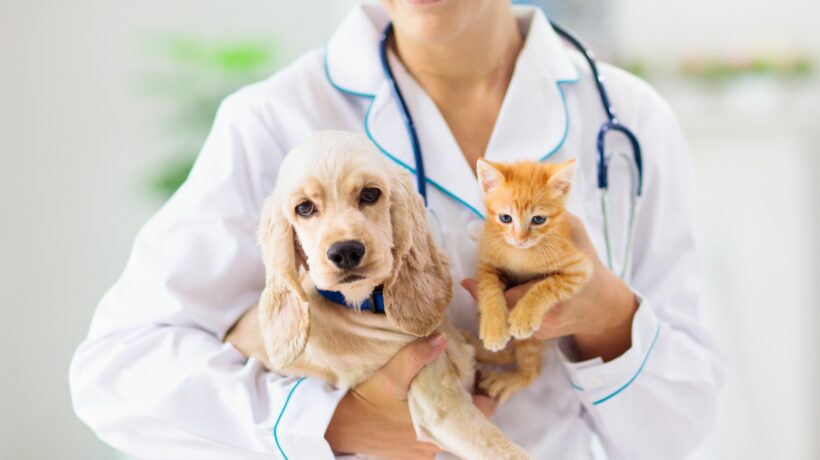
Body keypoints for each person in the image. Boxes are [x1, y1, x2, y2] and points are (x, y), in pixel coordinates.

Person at [70, 1, 726, 459]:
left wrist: (608, 314)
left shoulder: (628, 119)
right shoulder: (273, 121)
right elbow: (115, 377)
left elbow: (676, 434)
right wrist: (333, 423)